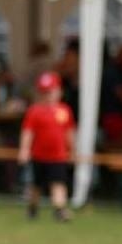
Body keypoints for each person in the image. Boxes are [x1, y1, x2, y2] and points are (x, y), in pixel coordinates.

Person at [18, 71, 76, 221]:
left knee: (58, 183)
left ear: (59, 92)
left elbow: (69, 133)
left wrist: (72, 150)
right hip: (38, 155)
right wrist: (24, 150)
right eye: (43, 93)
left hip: (58, 156)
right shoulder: (34, 111)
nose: (47, 96)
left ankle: (60, 209)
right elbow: (28, 132)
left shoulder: (64, 111)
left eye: (50, 92)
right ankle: (32, 208)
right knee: (36, 185)